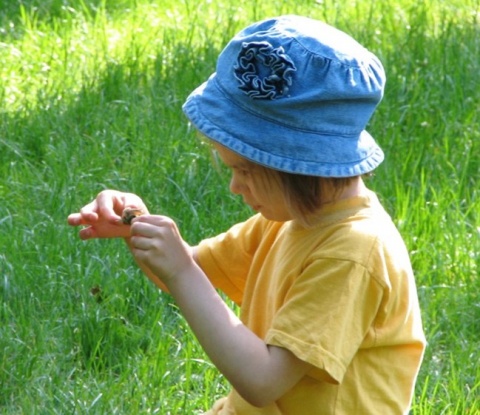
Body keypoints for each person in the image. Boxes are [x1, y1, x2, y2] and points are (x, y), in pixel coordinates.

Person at [68, 15, 426, 414]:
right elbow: (190, 274)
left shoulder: (353, 251)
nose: (234, 187)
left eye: (245, 170)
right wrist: (138, 225)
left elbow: (263, 380)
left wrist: (182, 270)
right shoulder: (288, 219)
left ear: (297, 167)